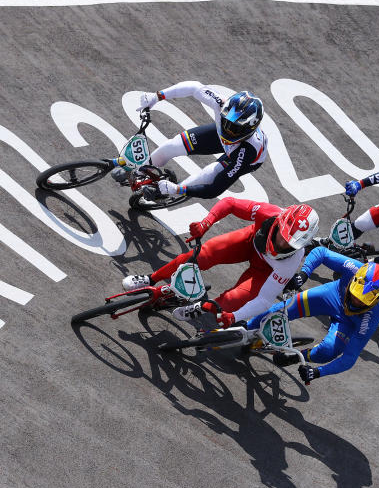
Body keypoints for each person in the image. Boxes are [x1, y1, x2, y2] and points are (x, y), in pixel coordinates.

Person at [120, 197, 319, 326]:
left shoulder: (291, 262)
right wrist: (206, 223)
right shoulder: (270, 212)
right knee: (201, 255)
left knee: (231, 302)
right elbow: (230, 203)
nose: (283, 243)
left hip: (264, 270)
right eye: (281, 236)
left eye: (289, 245)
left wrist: (234, 317)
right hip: (249, 242)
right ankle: (151, 278)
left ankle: (202, 307)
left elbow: (265, 300)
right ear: (280, 221)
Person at [250, 246, 379, 385]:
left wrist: (317, 372)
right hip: (331, 296)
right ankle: (246, 326)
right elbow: (321, 252)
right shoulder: (354, 268)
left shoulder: (374, 314)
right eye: (355, 294)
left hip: (348, 323)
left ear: (376, 300)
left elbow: (349, 357)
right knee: (283, 309)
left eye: (362, 302)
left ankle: (294, 357)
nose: (355, 301)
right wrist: (304, 274)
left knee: (328, 350)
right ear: (356, 279)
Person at [110, 81, 267, 199]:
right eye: (226, 123)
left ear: (249, 129)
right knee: (171, 146)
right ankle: (139, 170)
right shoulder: (221, 103)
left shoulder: (247, 152)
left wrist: (178, 190)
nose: (228, 130)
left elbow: (214, 190)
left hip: (239, 153)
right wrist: (158, 96)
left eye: (235, 129)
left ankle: (171, 191)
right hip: (222, 139)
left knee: (208, 175)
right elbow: (194, 87)